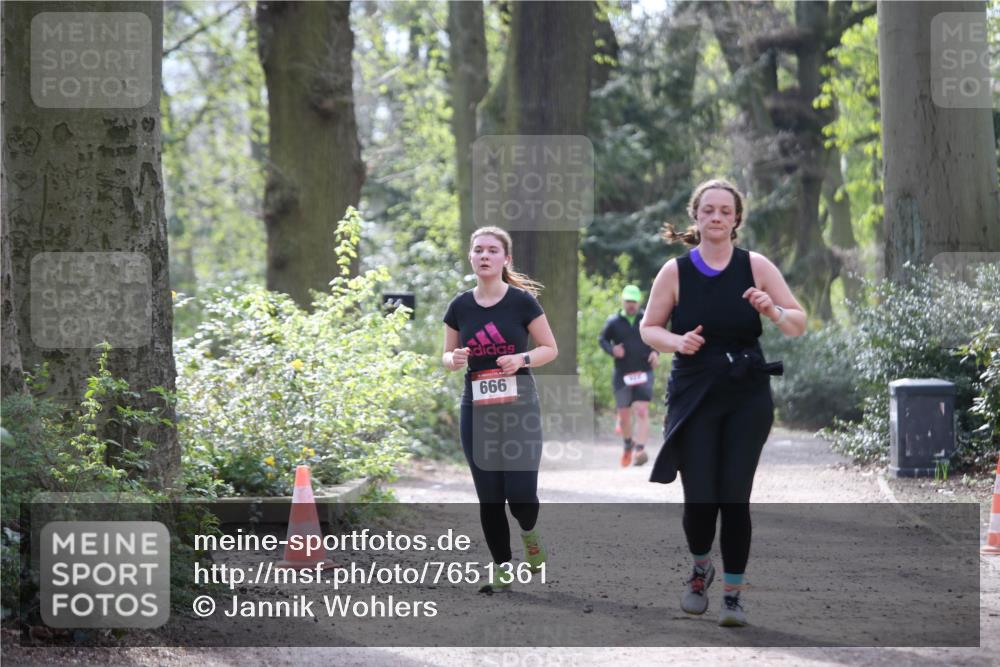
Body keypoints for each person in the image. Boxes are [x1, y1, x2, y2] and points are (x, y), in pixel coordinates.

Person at [639, 178, 806, 627]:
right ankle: (700, 569)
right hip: (694, 393)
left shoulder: (756, 266)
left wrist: (772, 310)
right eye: (708, 210)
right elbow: (648, 328)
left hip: (746, 393)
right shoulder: (675, 271)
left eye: (725, 211)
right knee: (699, 500)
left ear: (736, 220)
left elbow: (797, 323)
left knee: (734, 497)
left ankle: (732, 596)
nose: (716, 217)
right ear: (696, 216)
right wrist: (677, 341)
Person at [442, 226, 559, 593]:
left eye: (492, 250)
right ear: (470, 257)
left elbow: (549, 348)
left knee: (521, 495)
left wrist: (521, 359)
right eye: (478, 250)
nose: (484, 255)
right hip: (477, 408)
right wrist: (454, 358)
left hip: (520, 406)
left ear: (506, 258)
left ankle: (529, 533)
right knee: (490, 496)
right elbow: (446, 355)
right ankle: (502, 566)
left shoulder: (522, 302)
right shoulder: (460, 306)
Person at [599, 285, 659, 467]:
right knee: (624, 415)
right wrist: (612, 350)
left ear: (639, 302)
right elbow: (602, 339)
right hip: (622, 374)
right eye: (628, 301)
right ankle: (627, 445)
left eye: (634, 301)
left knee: (641, 410)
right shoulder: (613, 321)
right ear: (623, 301)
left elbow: (657, 337)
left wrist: (656, 352)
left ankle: (639, 450)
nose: (631, 304)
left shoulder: (647, 319)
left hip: (644, 371)